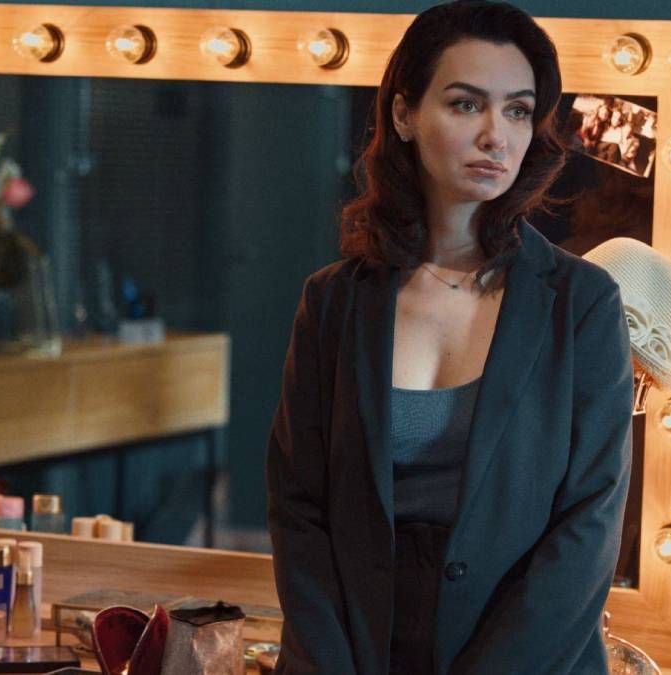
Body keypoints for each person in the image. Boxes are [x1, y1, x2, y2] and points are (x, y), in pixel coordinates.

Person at [265, 2, 634, 673]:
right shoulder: (334, 303)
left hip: (524, 656)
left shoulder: (582, 304)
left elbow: (589, 524)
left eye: (518, 110)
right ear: (404, 114)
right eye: (467, 105)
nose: (497, 135)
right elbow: (299, 511)